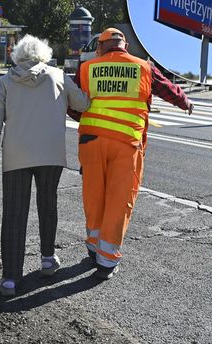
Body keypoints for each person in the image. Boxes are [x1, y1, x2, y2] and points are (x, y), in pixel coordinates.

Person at [75, 27, 194, 279]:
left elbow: (74, 103)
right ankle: (106, 260)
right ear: (125, 47)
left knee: (93, 196)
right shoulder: (143, 67)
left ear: (100, 48)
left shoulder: (87, 68)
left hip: (91, 142)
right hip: (126, 144)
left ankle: (93, 246)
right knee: (119, 200)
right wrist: (186, 102)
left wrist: (85, 119)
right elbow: (167, 89)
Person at [0, 35, 90, 296]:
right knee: (47, 203)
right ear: (44, 54)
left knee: (14, 214)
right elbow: (82, 104)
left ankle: (10, 278)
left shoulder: (6, 81)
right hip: (51, 154)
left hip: (16, 155)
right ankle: (47, 259)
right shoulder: (57, 75)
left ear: (17, 57)